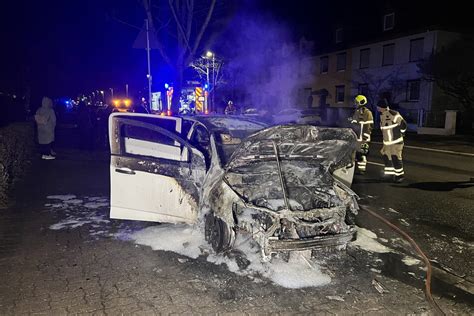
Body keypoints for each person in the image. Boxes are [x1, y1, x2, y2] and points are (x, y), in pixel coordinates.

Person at [377, 98, 407, 183]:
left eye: (378, 107)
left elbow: (403, 125)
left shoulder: (393, 114)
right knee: (387, 159)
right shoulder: (382, 116)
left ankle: (399, 176)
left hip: (396, 143)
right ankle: (389, 175)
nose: (377, 108)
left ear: (382, 107)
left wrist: (402, 133)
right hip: (387, 144)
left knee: (396, 159)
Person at [350, 95, 374, 174]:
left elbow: (369, 127)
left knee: (362, 154)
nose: (355, 103)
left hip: (362, 138)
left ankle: (361, 169)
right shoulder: (356, 112)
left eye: (356, 102)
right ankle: (354, 169)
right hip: (356, 137)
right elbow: (354, 125)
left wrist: (365, 139)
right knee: (355, 154)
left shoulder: (367, 113)